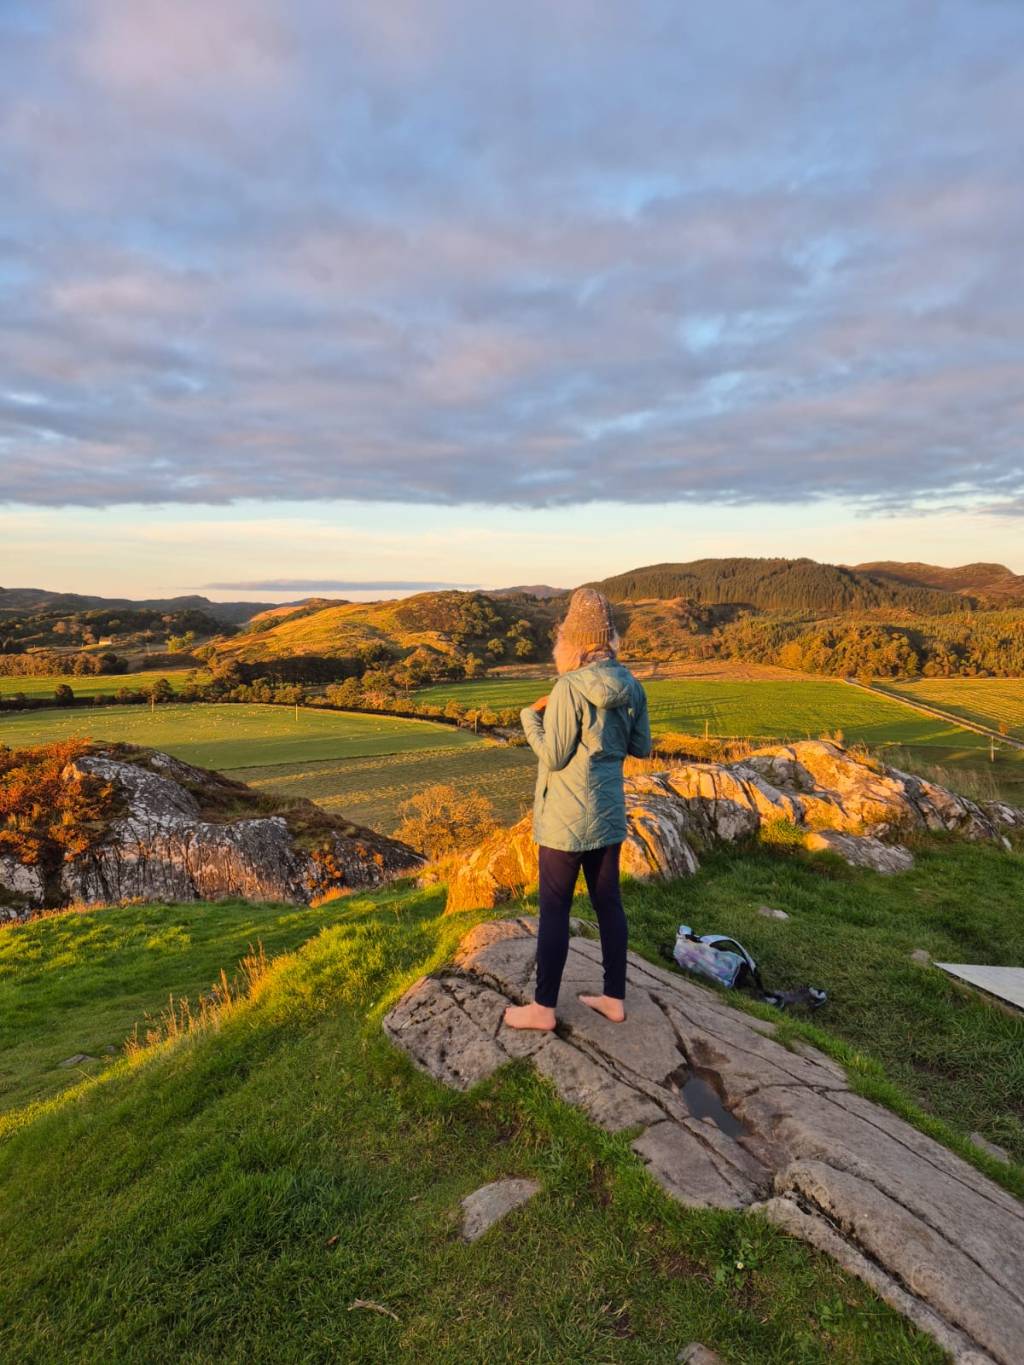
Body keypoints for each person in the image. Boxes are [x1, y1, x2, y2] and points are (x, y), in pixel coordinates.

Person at [504, 588, 651, 1032]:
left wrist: (530, 717)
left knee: (554, 910)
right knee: (610, 906)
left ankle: (543, 1009)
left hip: (565, 823)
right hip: (608, 815)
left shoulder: (567, 688)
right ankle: (614, 999)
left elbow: (553, 755)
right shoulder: (632, 685)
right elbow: (641, 747)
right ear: (610, 641)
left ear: (573, 643)